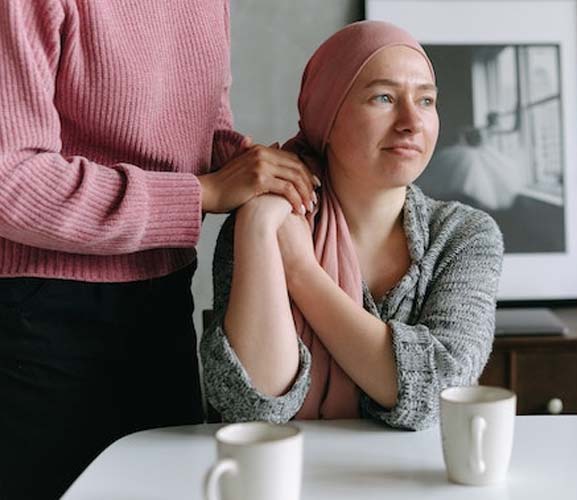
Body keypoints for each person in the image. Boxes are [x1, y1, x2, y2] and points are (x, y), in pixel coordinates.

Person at [0, 2, 317, 498]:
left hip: (164, 298)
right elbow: (12, 183)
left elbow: (202, 131)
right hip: (38, 312)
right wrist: (206, 193)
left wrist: (254, 162)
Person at [201, 20, 504, 430]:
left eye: (426, 101)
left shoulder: (465, 236)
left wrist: (302, 272)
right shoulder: (265, 221)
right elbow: (251, 409)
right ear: (327, 116)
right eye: (383, 98)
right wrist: (256, 222)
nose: (411, 122)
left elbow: (439, 393)